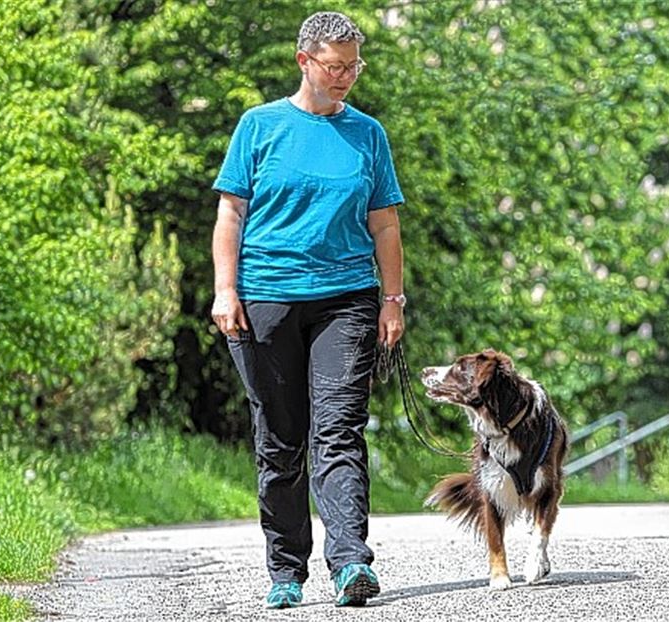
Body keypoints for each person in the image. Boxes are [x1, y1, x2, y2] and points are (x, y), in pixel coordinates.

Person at [209, 11, 405, 609]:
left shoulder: (367, 134)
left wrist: (392, 300)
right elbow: (231, 215)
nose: (346, 77)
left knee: (339, 428)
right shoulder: (259, 126)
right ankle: (286, 570)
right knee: (280, 435)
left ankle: (350, 563)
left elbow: (384, 223)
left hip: (347, 297)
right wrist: (225, 289)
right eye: (335, 66)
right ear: (305, 62)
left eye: (354, 66)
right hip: (266, 295)